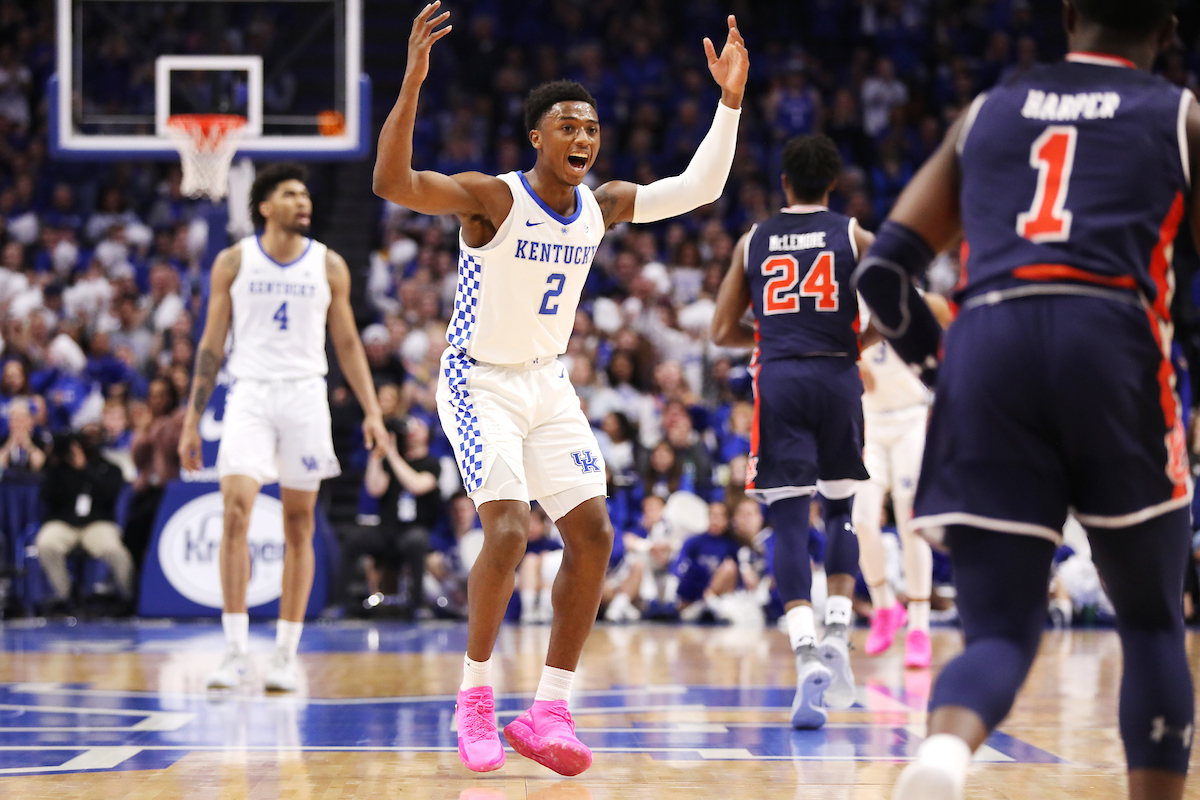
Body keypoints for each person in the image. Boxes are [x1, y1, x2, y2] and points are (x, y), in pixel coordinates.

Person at [373, 2, 747, 775]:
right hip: (477, 381)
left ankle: (549, 709)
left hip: (547, 381)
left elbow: (699, 188)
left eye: (592, 128)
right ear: (536, 138)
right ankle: (475, 698)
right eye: (568, 127)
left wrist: (730, 102)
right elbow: (391, 182)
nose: (583, 138)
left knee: (595, 535)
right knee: (509, 531)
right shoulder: (493, 199)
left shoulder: (600, 206)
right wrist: (411, 82)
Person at [850, 2, 1197, 797]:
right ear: (1167, 29)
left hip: (988, 348)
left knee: (1000, 633)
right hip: (1112, 342)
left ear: (1068, 14)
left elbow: (882, 275)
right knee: (1151, 623)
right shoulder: (1180, 116)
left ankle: (943, 758)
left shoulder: (987, 113)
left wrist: (948, 371)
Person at [178, 163, 386, 693]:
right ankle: (234, 651)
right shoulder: (233, 261)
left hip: (305, 395)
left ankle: (286, 655)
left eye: (306, 194)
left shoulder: (329, 264)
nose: (303, 201)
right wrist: (191, 422)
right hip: (248, 392)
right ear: (266, 206)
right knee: (235, 511)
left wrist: (372, 410)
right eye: (291, 194)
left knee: (299, 523)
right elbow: (210, 345)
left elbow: (347, 344)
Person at [711, 133, 875, 730]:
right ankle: (838, 630)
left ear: (784, 183)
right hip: (837, 376)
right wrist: (856, 342)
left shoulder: (754, 239)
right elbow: (897, 305)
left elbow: (720, 329)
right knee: (840, 510)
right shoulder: (854, 235)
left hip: (779, 380)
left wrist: (770, 336)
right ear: (832, 184)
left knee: (787, 522)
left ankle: (806, 652)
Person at [853, 295, 951, 669]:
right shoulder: (849, 300)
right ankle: (885, 607)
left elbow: (950, 338)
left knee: (911, 523)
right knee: (862, 520)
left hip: (911, 419)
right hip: (871, 422)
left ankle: (920, 628)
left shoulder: (920, 301)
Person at [346, 417, 442, 616]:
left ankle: (418, 605)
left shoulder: (432, 464)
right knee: (354, 538)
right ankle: (340, 602)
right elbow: (374, 488)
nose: (413, 431)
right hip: (388, 529)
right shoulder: (391, 461)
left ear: (427, 434)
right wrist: (378, 452)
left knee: (416, 541)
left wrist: (393, 455)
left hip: (416, 529)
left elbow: (416, 485)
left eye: (419, 427)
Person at [35, 434, 133, 614]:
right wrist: (53, 462)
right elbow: (46, 497)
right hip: (63, 524)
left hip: (97, 524)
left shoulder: (109, 468)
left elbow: (108, 494)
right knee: (46, 544)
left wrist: (84, 468)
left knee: (117, 552)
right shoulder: (57, 470)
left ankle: (130, 598)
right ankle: (65, 597)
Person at [125, 378, 184, 572]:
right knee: (133, 532)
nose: (156, 400)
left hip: (170, 490)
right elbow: (137, 458)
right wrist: (145, 431)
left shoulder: (180, 419)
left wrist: (161, 427)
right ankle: (133, 579)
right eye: (152, 396)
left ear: (171, 397)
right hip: (146, 490)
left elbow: (175, 450)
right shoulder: (146, 423)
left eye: (161, 395)